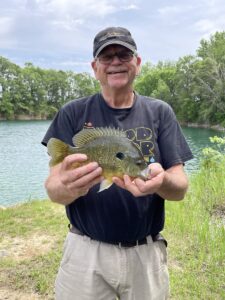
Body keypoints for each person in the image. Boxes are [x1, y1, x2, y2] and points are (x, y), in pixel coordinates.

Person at [42, 26, 193, 300]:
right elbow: (53, 189)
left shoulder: (160, 112)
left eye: (123, 55)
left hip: (145, 255)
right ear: (95, 67)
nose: (115, 62)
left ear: (137, 62)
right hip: (85, 254)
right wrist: (69, 186)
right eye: (106, 56)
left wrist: (162, 182)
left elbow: (180, 187)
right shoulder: (72, 112)